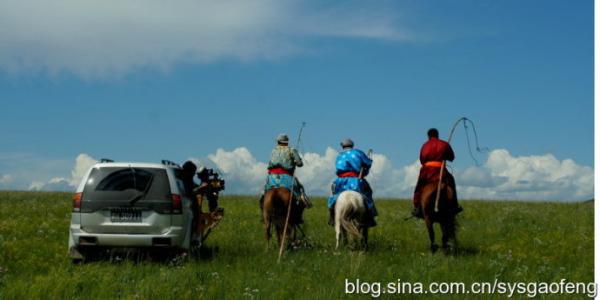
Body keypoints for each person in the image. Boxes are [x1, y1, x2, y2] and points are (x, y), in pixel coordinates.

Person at [412, 128, 463, 218]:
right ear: (437, 135)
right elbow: (452, 158)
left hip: (427, 171)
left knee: (419, 187)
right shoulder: (444, 144)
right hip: (440, 170)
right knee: (451, 182)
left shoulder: (425, 145)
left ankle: (417, 207)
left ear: (428, 136)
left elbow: (422, 160)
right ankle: (455, 206)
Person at [260, 134, 312, 221]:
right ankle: (298, 217)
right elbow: (300, 164)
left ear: (278, 142)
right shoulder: (292, 150)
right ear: (287, 142)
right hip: (287, 177)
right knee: (300, 194)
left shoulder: (273, 151)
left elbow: (270, 163)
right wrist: (296, 162)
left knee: (263, 194)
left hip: (272, 178)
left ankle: (264, 215)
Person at [327, 138, 377, 227]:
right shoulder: (358, 153)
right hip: (356, 180)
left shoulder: (339, 155)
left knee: (333, 195)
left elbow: (338, 168)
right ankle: (370, 215)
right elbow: (368, 163)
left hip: (340, 181)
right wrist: (367, 163)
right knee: (368, 193)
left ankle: (332, 215)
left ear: (342, 146)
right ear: (352, 145)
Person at [181, 161, 200, 227]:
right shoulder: (183, 180)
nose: (194, 174)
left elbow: (193, 185)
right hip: (188, 208)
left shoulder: (188, 179)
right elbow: (188, 192)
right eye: (193, 172)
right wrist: (199, 189)